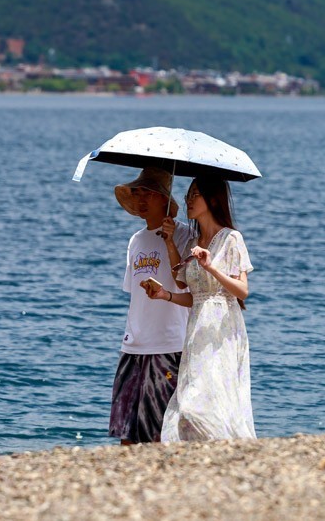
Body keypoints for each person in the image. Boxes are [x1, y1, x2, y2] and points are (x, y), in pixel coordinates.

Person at [149, 176, 255, 441]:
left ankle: (224, 446)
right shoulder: (193, 243)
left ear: (213, 199)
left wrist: (211, 267)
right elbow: (188, 290)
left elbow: (242, 291)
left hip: (222, 329)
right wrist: (165, 294)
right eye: (188, 195)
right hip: (197, 329)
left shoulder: (232, 239)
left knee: (211, 396)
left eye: (195, 194)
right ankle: (203, 451)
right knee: (190, 396)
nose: (188, 200)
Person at [109, 167, 193, 445]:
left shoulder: (184, 236)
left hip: (168, 344)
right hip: (133, 345)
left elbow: (184, 284)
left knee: (158, 431)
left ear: (165, 199)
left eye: (149, 193)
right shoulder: (136, 240)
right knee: (126, 433)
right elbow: (133, 293)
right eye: (137, 192)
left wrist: (170, 241)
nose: (141, 198)